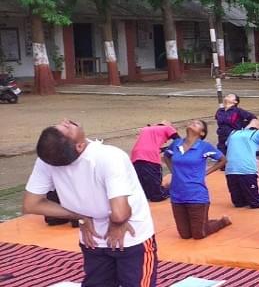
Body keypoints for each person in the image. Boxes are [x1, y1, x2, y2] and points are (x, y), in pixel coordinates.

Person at [23, 119, 157, 286]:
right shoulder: (109, 156)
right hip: (129, 237)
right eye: (67, 127)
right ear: (79, 146)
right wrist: (114, 221)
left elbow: (31, 204)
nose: (66, 121)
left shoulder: (48, 158)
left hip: (94, 237)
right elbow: (120, 214)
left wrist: (81, 216)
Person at [163, 120, 231, 240]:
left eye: (198, 124)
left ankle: (222, 222)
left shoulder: (204, 146)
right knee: (185, 235)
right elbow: (166, 156)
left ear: (202, 133)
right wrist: (174, 171)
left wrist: (205, 173)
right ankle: (203, 222)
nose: (193, 123)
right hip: (177, 194)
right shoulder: (176, 144)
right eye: (192, 122)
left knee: (199, 234)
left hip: (196, 194)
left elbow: (223, 160)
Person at [224, 119, 259, 209]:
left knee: (247, 203)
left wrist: (254, 153)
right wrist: (255, 153)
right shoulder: (236, 132)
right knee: (247, 203)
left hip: (237, 170)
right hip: (239, 170)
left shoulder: (235, 133)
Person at [131, 120, 179, 202]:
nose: (166, 141)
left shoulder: (145, 129)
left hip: (135, 156)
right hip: (150, 157)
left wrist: (163, 149)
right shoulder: (168, 128)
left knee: (144, 190)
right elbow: (180, 142)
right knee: (158, 195)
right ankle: (176, 188)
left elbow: (153, 146)